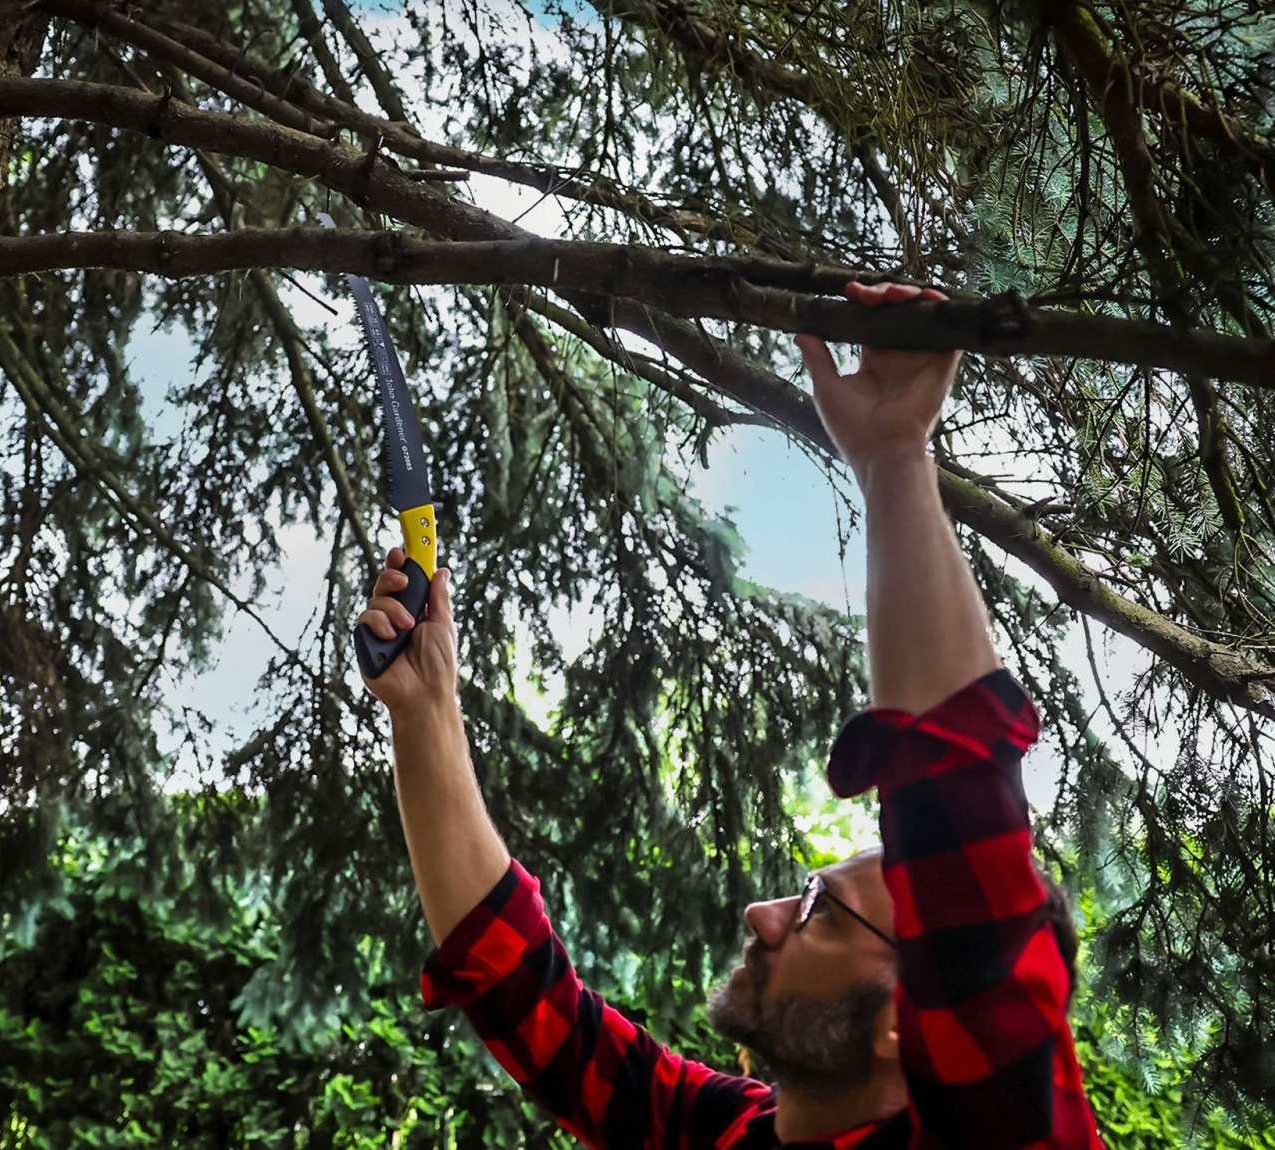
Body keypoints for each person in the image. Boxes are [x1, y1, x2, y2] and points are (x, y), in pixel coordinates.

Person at [357, 281, 1104, 1148]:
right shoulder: (725, 1132)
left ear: (916, 1015)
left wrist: (897, 456)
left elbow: (958, 813)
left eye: (823, 911)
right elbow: (517, 982)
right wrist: (425, 708)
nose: (763, 913)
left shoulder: (1002, 1135)